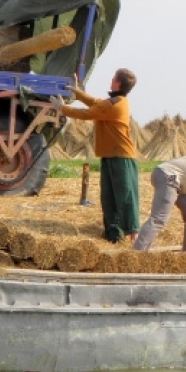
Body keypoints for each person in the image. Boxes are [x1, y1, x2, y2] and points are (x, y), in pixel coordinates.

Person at [50, 69, 139, 244]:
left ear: (118, 84)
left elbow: (87, 113)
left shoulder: (115, 104)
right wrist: (78, 93)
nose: (111, 80)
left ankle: (134, 235)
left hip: (122, 158)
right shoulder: (115, 102)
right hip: (109, 155)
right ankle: (113, 234)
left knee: (125, 196)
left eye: (113, 78)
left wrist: (62, 108)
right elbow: (96, 102)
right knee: (108, 196)